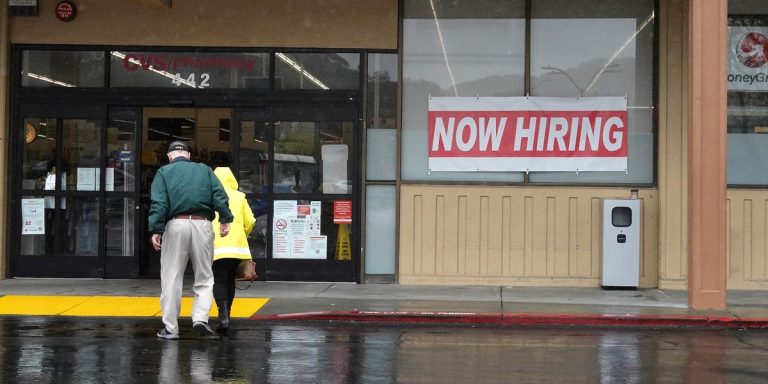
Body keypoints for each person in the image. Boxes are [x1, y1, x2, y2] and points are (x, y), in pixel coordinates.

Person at [148, 140, 234, 340]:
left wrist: (156, 229)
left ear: (170, 156)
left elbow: (159, 202)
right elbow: (219, 194)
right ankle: (200, 319)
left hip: (175, 225)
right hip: (202, 224)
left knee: (171, 278)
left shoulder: (164, 172)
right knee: (204, 277)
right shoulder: (204, 170)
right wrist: (225, 219)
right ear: (188, 155)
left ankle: (170, 328)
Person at [211, 166, 256, 333]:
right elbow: (250, 221)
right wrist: (242, 234)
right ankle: (227, 315)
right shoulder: (240, 196)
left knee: (219, 279)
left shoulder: (210, 196)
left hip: (217, 246)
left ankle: (223, 317)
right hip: (237, 247)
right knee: (230, 280)